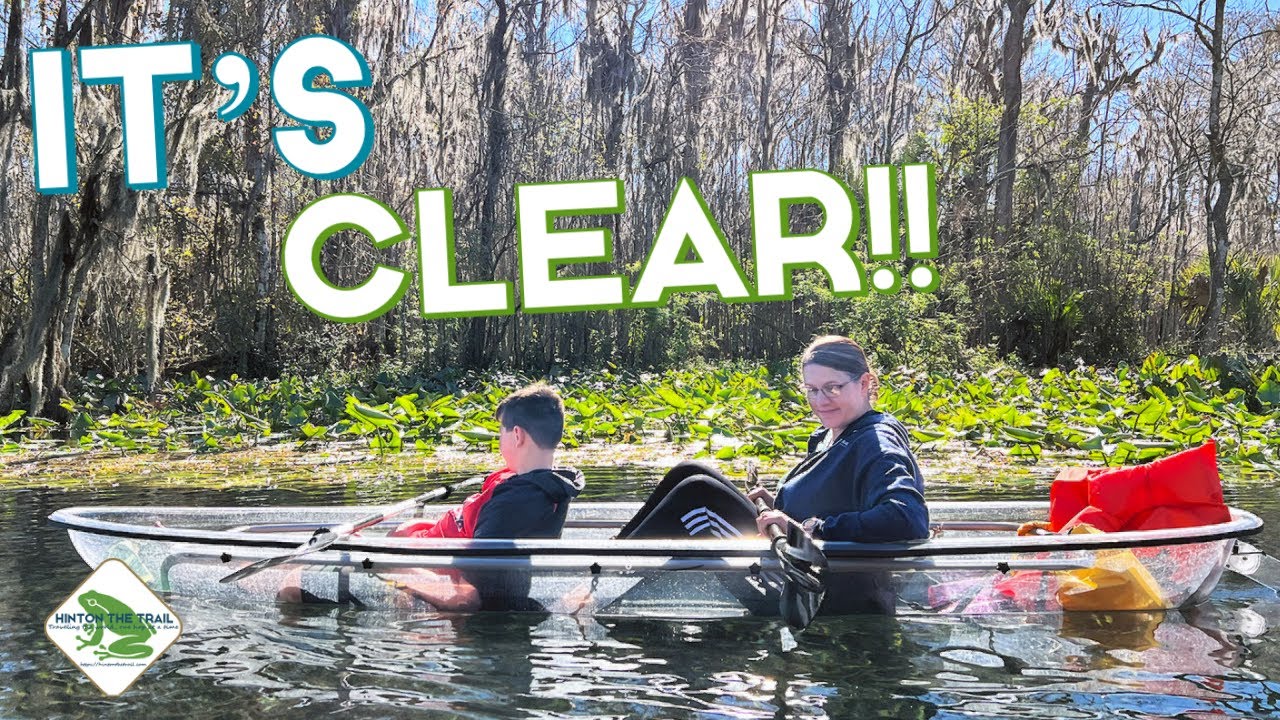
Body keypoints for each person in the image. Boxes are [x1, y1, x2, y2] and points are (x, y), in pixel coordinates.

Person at [617, 335, 929, 613]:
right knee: (690, 471)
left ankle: (605, 581)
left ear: (864, 383)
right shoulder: (831, 435)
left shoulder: (876, 441)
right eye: (811, 390)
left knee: (697, 497)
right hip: (789, 559)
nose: (820, 401)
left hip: (815, 589)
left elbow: (907, 517)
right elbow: (836, 496)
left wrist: (811, 528)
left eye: (832, 388)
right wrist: (782, 506)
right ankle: (610, 563)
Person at [280, 383, 584, 610]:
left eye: (501, 432)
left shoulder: (513, 504)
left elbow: (465, 597)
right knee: (300, 569)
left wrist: (380, 562)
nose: (499, 440)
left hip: (414, 583)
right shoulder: (540, 483)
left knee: (289, 588)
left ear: (517, 435)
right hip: (419, 561)